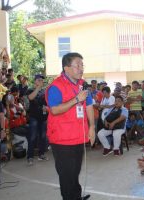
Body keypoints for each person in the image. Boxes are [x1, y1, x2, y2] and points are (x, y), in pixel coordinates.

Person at [46, 52, 95, 200]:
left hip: (79, 136)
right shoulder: (55, 87)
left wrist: (92, 127)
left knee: (75, 172)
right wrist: (75, 99)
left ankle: (76, 197)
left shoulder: (82, 85)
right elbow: (54, 110)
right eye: (77, 65)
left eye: (82, 65)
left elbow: (89, 105)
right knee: (67, 175)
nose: (81, 68)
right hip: (62, 140)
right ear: (66, 68)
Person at [26, 74, 49, 165]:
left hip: (43, 118)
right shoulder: (30, 90)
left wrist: (46, 108)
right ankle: (30, 157)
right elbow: (30, 97)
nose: (41, 82)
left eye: (42, 80)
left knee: (43, 137)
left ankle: (41, 154)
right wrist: (38, 88)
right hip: (34, 118)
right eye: (39, 80)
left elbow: (47, 103)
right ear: (35, 81)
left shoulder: (44, 92)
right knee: (32, 137)